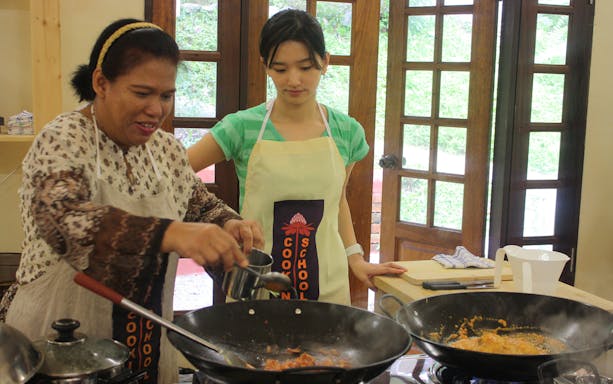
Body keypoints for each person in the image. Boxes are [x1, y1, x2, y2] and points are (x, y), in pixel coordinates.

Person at [0, 19, 263, 383]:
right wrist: (171, 234)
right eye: (142, 93)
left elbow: (199, 205)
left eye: (166, 95)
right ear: (101, 83)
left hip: (147, 342)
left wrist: (229, 223)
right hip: (57, 348)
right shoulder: (62, 140)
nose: (156, 109)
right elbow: (66, 221)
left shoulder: (167, 151)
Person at [188, 9, 406, 306]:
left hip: (328, 288)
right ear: (265, 67)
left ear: (325, 62)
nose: (294, 80)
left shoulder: (347, 132)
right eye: (280, 69)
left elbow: (337, 201)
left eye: (305, 67)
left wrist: (356, 259)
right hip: (256, 285)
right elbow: (174, 171)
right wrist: (217, 220)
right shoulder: (241, 128)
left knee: (328, 353)